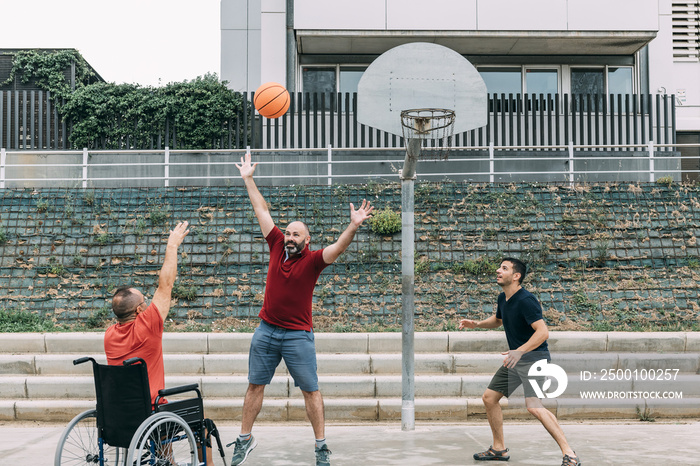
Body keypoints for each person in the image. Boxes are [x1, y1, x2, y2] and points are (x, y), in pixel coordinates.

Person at [229, 153, 374, 466]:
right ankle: (244, 438)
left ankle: (321, 447)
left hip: (297, 336)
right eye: (288, 233)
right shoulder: (275, 244)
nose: (289, 237)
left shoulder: (313, 261)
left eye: (296, 234)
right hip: (266, 331)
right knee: (255, 385)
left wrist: (352, 226)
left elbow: (338, 247)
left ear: (307, 240)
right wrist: (249, 178)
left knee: (311, 390)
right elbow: (261, 209)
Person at [459, 257, 581, 466]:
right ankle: (499, 449)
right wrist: (476, 324)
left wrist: (519, 351)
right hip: (516, 360)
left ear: (516, 276)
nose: (498, 270)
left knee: (533, 406)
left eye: (504, 268)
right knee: (489, 398)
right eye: (499, 267)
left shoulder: (526, 300)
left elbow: (543, 332)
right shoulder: (503, 298)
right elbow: (498, 320)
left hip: (534, 359)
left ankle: (569, 453)